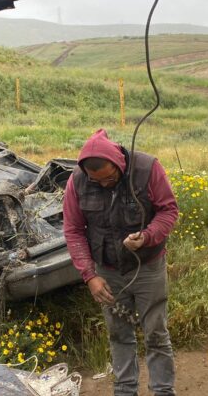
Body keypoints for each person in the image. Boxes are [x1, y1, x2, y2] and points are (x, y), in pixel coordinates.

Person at [63, 129, 179, 396]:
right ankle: (125, 391)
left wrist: (148, 236)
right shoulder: (78, 181)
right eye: (97, 181)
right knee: (119, 335)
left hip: (148, 267)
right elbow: (73, 229)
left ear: (119, 163)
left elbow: (168, 209)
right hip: (107, 273)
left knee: (156, 335)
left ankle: (163, 391)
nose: (104, 184)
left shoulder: (147, 168)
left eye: (109, 178)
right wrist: (90, 276)